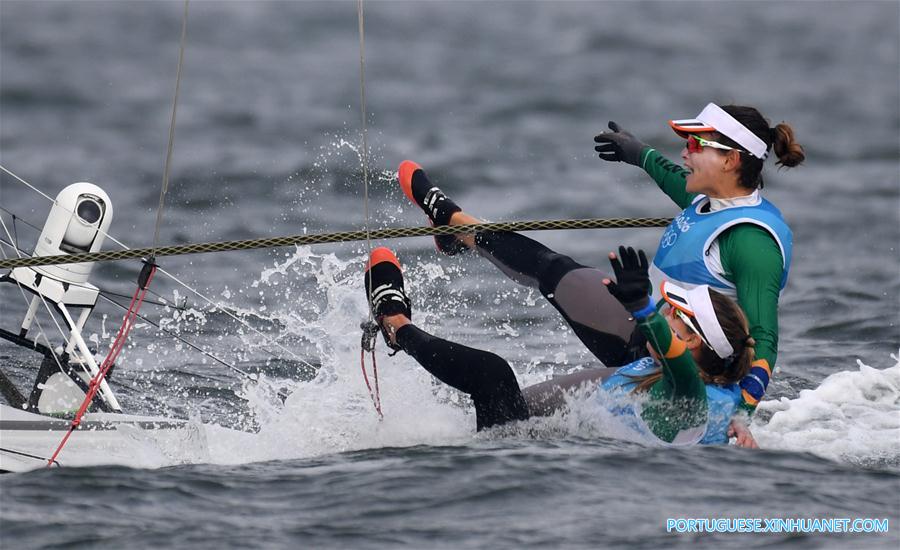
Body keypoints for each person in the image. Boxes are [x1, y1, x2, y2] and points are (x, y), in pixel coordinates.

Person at [395, 103, 804, 446]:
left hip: (670, 368)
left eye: (696, 144)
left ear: (731, 160)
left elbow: (764, 340)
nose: (685, 152)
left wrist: (741, 413)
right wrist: (639, 153)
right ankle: (454, 226)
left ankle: (400, 325)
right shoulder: (709, 197)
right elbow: (675, 181)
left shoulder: (752, 244)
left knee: (517, 414)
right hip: (643, 318)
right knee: (555, 269)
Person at [364, 245, 755, 445]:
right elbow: (735, 375)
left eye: (673, 313)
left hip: (519, 459)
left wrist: (642, 308)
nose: (666, 311)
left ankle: (395, 322)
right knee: (503, 393)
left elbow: (681, 369)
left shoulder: (688, 399)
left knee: (493, 374)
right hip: (540, 444)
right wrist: (740, 424)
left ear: (689, 342)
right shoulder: (717, 391)